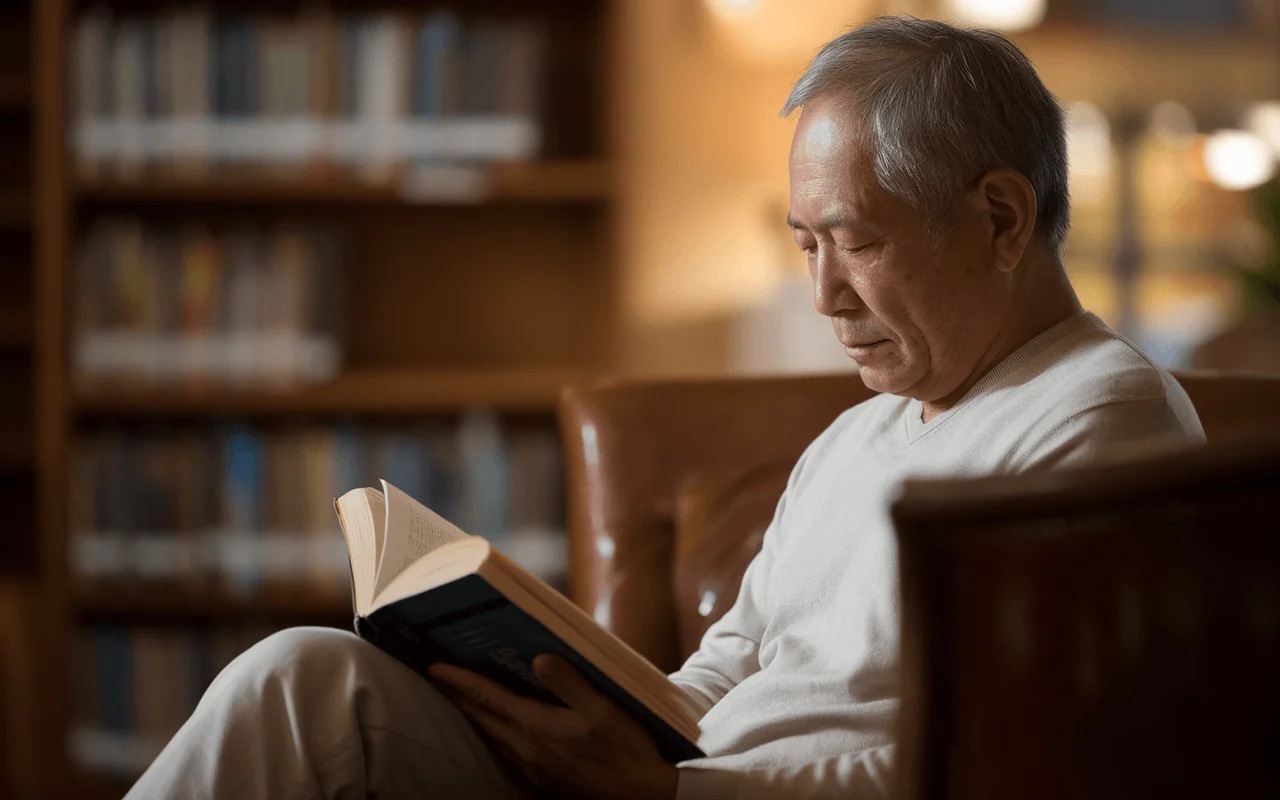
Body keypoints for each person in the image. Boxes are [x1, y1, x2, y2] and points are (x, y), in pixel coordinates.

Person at [125, 16, 1204, 800]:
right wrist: (568, 708)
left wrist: (670, 790)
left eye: (857, 241)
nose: (823, 296)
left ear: (1002, 219)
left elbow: (1004, 763)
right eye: (804, 245)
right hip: (659, 783)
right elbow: (719, 670)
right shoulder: (864, 430)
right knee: (304, 677)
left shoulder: (1104, 424)